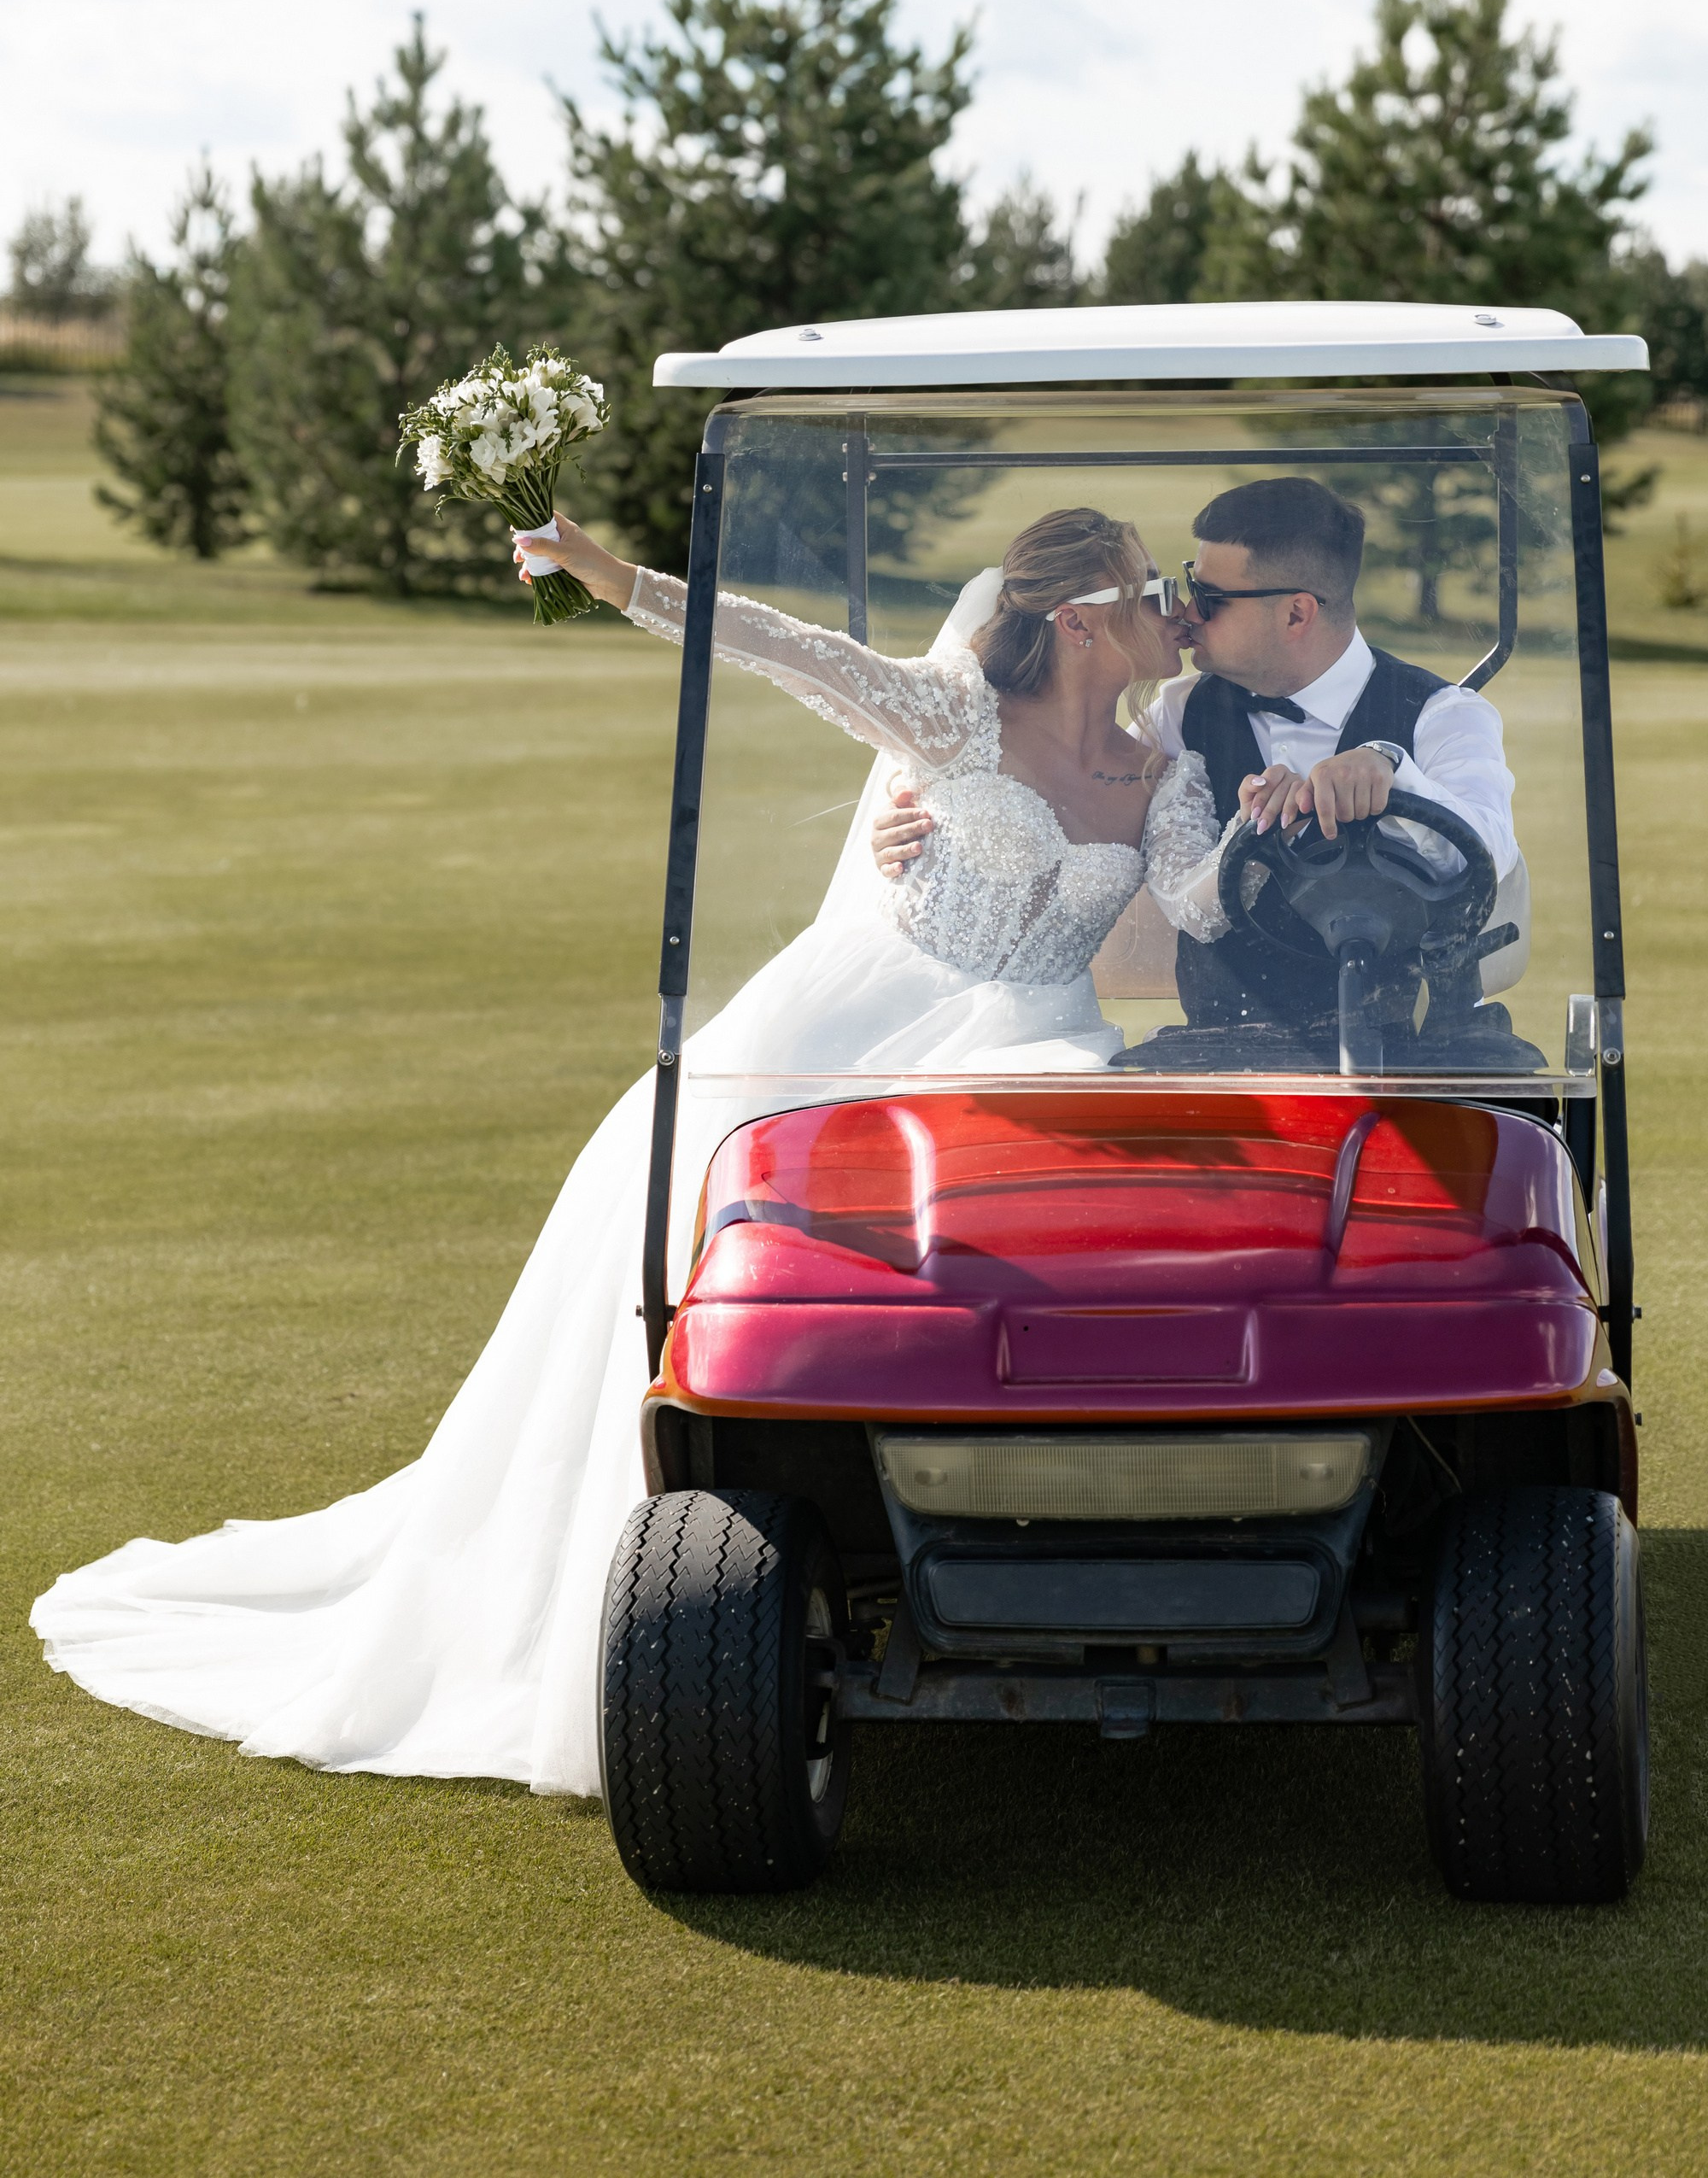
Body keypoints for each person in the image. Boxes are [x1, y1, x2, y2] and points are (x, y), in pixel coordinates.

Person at [31, 506, 1226, 1800]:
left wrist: (1304, 809)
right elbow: (783, 647)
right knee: (703, 1242)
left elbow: (1208, 903)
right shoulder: (951, 718)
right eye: (1149, 584)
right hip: (854, 1025)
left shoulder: (1166, 771)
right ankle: (670, 1587)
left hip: (1030, 1049)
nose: (1173, 606)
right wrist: (613, 577)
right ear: (1079, 618)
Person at [872, 477, 1523, 1045]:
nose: (1184, 612)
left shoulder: (1444, 716)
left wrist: (1388, 766)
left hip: (1397, 1049)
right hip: (1218, 1052)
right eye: (1184, 587)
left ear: (1297, 612)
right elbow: (1066, 798)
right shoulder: (1181, 715)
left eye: (1209, 598)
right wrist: (932, 825)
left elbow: (1489, 851)